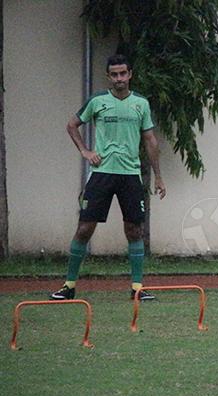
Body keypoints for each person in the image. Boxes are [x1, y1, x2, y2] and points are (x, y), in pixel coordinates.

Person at [50, 54, 166, 301]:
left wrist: (158, 176)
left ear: (130, 74)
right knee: (84, 229)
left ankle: (137, 288)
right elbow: (72, 125)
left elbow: (150, 140)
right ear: (108, 76)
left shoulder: (141, 104)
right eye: (114, 74)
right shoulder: (97, 101)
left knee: (134, 230)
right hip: (101, 174)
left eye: (123, 73)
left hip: (130, 175)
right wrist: (85, 151)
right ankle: (69, 286)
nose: (119, 79)